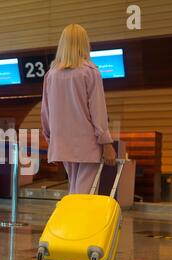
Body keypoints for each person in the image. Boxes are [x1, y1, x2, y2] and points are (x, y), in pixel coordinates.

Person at [41, 24, 116, 194]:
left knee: (74, 189)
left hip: (62, 142)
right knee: (84, 193)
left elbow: (46, 111)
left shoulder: (51, 74)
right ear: (84, 43)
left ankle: (69, 219)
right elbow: (98, 110)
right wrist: (106, 143)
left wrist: (51, 139)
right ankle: (76, 221)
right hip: (87, 143)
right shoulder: (90, 72)